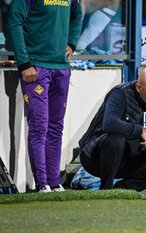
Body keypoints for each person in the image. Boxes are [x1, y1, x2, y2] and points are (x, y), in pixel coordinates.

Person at [7, 0, 83, 192]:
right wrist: (24, 62)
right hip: (36, 67)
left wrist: (72, 42)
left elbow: (77, 16)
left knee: (56, 127)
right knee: (39, 127)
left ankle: (54, 182)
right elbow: (14, 22)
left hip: (61, 68)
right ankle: (42, 184)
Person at [78, 67, 146, 191]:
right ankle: (105, 190)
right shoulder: (121, 94)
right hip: (95, 157)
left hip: (131, 157)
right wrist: (140, 131)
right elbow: (110, 124)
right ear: (139, 88)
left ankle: (124, 188)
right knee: (116, 139)